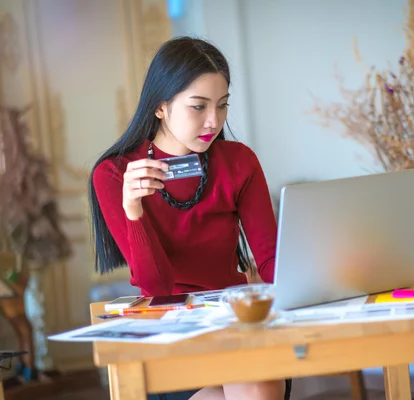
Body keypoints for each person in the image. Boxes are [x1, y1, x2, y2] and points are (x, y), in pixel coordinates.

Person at [89, 37, 291, 400]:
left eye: (223, 106)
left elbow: (271, 259)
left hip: (236, 327)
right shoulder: (115, 174)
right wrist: (133, 210)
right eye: (198, 106)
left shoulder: (239, 161)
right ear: (161, 106)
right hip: (171, 339)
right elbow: (159, 290)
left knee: (257, 383)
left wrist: (320, 280)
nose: (213, 121)